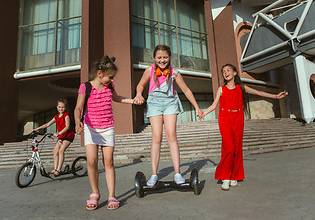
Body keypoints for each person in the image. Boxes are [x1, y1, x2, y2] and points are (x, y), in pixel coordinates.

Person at [200, 63, 287, 190]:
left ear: (235, 73)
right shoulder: (221, 89)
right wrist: (204, 113)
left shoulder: (241, 88)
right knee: (228, 148)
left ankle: (235, 176)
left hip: (238, 118)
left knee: (237, 149)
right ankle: (225, 177)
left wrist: (275, 96)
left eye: (228, 70)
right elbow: (214, 106)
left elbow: (258, 92)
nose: (225, 73)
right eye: (223, 71)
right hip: (225, 119)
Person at [133, 44, 203, 187]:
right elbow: (140, 85)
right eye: (159, 57)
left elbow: (187, 90)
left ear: (169, 57)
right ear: (154, 58)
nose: (162, 60)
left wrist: (197, 107)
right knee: (157, 137)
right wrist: (139, 94)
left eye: (165, 57)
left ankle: (177, 173)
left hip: (170, 103)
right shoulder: (149, 70)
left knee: (171, 135)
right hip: (154, 104)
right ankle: (154, 174)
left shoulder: (174, 73)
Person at [74, 55, 134, 210]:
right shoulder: (85, 87)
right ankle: (95, 193)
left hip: (107, 128)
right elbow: (78, 108)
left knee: (109, 162)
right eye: (110, 77)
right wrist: (77, 122)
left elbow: (117, 98)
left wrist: (131, 100)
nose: (112, 80)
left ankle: (111, 195)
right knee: (92, 161)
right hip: (90, 127)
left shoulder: (110, 87)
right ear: (99, 73)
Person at [34, 99, 75, 177]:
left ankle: (58, 170)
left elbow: (67, 126)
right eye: (59, 107)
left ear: (65, 108)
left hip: (68, 136)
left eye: (63, 107)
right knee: (55, 151)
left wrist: (58, 133)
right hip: (61, 136)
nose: (61, 109)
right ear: (57, 107)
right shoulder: (56, 116)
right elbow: (47, 124)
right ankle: (55, 168)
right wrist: (36, 129)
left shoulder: (66, 116)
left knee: (61, 151)